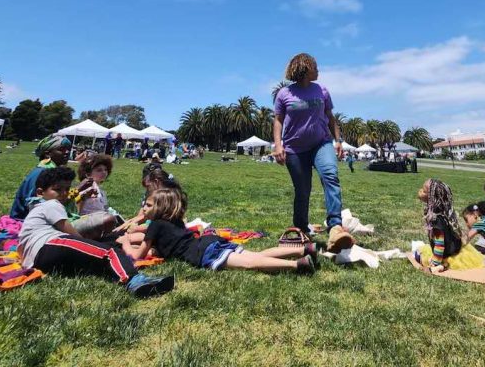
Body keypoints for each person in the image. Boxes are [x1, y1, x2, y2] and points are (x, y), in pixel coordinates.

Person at [18, 167, 174, 297]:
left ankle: (130, 249)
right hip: (51, 244)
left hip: (40, 258)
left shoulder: (36, 209)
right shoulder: (51, 204)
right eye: (58, 190)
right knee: (108, 252)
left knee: (109, 241)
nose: (64, 193)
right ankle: (134, 281)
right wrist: (92, 245)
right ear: (40, 192)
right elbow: (71, 234)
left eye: (66, 189)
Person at [126, 187, 317, 275]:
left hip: (204, 253)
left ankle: (299, 265)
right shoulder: (174, 222)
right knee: (255, 255)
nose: (143, 208)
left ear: (160, 208)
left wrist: (125, 243)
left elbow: (137, 255)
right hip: (210, 241)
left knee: (251, 263)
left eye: (148, 205)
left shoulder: (156, 225)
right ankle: (304, 249)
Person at [273, 53, 354, 253]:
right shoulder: (284, 94)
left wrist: (338, 141)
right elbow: (278, 121)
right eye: (315, 67)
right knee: (302, 191)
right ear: (305, 69)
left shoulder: (322, 91)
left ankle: (335, 226)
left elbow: (330, 117)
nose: (318, 71)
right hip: (294, 149)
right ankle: (301, 228)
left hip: (321, 143)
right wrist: (278, 145)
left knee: (330, 175)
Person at [414, 179, 485, 272]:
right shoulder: (444, 213)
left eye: (424, 191)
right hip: (454, 245)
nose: (420, 192)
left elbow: (440, 244)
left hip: (446, 251)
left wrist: (434, 263)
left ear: (432, 197)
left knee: (418, 254)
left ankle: (442, 265)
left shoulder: (436, 219)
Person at [10, 135, 71, 219]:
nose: (67, 152)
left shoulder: (49, 171)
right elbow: (33, 204)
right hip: (25, 221)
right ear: (47, 154)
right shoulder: (43, 173)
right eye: (61, 149)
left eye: (68, 149)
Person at [73, 154, 121, 239]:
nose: (104, 172)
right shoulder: (87, 189)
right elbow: (77, 211)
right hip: (90, 224)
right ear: (88, 174)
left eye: (106, 170)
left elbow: (105, 208)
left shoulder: (100, 190)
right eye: (99, 170)